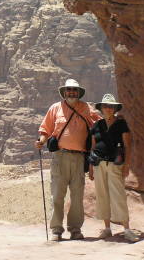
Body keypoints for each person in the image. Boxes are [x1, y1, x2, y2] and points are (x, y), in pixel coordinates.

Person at [36, 78, 100, 241]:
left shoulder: (86, 108)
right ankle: (56, 230)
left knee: (77, 195)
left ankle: (75, 229)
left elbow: (99, 125)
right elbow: (45, 129)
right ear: (64, 92)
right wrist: (41, 142)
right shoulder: (55, 108)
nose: (71, 92)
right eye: (69, 90)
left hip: (79, 158)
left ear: (78, 93)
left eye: (74, 90)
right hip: (60, 156)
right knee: (57, 194)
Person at [88, 94, 140, 242]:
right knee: (102, 195)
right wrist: (91, 167)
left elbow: (128, 145)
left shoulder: (121, 124)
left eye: (111, 106)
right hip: (99, 164)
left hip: (115, 164)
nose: (108, 109)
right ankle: (107, 228)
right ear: (101, 108)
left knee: (118, 195)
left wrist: (127, 165)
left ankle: (127, 229)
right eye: (105, 106)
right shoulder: (96, 125)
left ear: (115, 108)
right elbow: (93, 146)